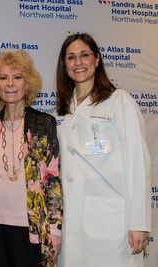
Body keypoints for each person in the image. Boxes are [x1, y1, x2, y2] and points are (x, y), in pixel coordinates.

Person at [55, 33, 151, 267]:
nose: (78, 63)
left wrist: (140, 222)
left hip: (112, 222)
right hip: (73, 222)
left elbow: (138, 163)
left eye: (84, 55)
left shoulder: (119, 101)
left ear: (97, 59)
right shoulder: (62, 111)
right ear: (64, 65)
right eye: (71, 57)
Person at [0, 49, 63, 267]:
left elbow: (53, 178)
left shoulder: (44, 124)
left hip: (32, 227)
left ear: (28, 84)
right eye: (3, 77)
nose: (10, 84)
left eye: (17, 77)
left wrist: (54, 228)